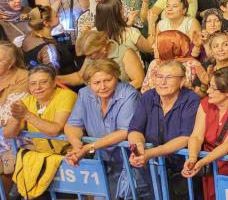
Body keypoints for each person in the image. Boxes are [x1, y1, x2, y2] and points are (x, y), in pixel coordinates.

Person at [63, 59, 140, 199]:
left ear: (116, 76)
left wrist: (89, 147)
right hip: (102, 162)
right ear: (88, 83)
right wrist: (77, 145)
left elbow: (124, 132)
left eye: (108, 80)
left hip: (131, 163)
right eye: (96, 83)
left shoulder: (129, 94)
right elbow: (73, 125)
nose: (102, 86)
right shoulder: (84, 93)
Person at [127, 59, 200, 197]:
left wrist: (151, 153)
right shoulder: (148, 96)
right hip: (154, 169)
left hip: (183, 170)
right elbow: (135, 128)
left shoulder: (191, 99)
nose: (162, 82)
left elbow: (185, 138)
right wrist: (138, 146)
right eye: (159, 76)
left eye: (169, 77)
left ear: (182, 80)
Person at [181, 67, 228, 200]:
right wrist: (193, 158)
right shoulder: (205, 103)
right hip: (211, 168)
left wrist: (202, 162)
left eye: (213, 88)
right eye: (209, 86)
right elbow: (196, 136)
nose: (208, 91)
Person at [2, 65, 76, 152]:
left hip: (70, 154)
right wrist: (17, 118)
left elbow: (55, 130)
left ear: (54, 82)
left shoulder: (66, 95)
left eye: (43, 82)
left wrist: (27, 115)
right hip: (42, 156)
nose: (37, 87)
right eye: (33, 84)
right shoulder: (26, 101)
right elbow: (8, 134)